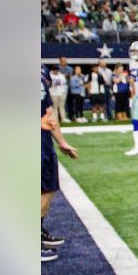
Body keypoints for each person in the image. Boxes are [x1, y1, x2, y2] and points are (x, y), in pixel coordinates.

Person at [41, 66, 79, 260]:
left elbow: (48, 112)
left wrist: (61, 141)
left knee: (48, 187)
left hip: (43, 141)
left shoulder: (40, 71)